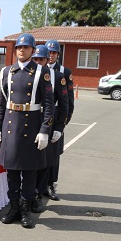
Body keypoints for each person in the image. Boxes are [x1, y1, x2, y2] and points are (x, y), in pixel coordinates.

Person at [0, 33, 54, 229]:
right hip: (10, 125)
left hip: (31, 125)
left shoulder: (40, 72)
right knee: (11, 172)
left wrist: (45, 130)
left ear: (32, 50)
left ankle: (26, 210)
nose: (22, 50)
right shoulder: (7, 72)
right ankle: (13, 208)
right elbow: (1, 103)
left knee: (29, 172)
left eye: (26, 48)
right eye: (19, 47)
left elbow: (49, 104)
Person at [30, 45, 68, 213]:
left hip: (48, 123)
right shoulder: (27, 74)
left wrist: (59, 127)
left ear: (47, 60)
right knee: (29, 162)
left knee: (44, 162)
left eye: (41, 59)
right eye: (35, 59)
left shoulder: (58, 76)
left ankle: (38, 195)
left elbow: (64, 104)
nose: (38, 62)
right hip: (30, 123)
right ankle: (28, 194)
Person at [45, 39, 75, 201]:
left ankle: (50, 184)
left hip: (57, 115)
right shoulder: (39, 67)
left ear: (58, 54)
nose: (51, 56)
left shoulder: (64, 71)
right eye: (49, 52)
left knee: (54, 154)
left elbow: (69, 101)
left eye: (54, 53)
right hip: (41, 114)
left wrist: (63, 123)